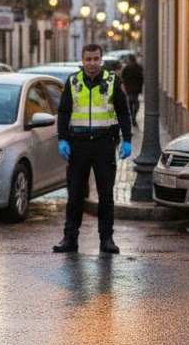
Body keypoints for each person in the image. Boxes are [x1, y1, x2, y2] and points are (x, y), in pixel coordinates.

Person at [53, 42, 132, 255]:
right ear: (82, 60)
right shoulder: (73, 82)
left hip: (104, 144)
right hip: (77, 146)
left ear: (101, 59)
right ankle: (70, 238)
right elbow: (64, 112)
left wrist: (127, 139)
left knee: (106, 195)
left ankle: (106, 239)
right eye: (88, 59)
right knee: (75, 195)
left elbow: (123, 112)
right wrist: (62, 139)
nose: (92, 63)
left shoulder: (112, 81)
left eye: (96, 59)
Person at [120, 54, 144, 127]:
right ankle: (134, 115)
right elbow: (142, 78)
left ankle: (132, 116)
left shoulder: (126, 68)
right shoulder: (138, 67)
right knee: (136, 101)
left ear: (129, 60)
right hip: (136, 88)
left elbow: (122, 77)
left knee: (130, 102)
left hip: (129, 88)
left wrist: (125, 84)